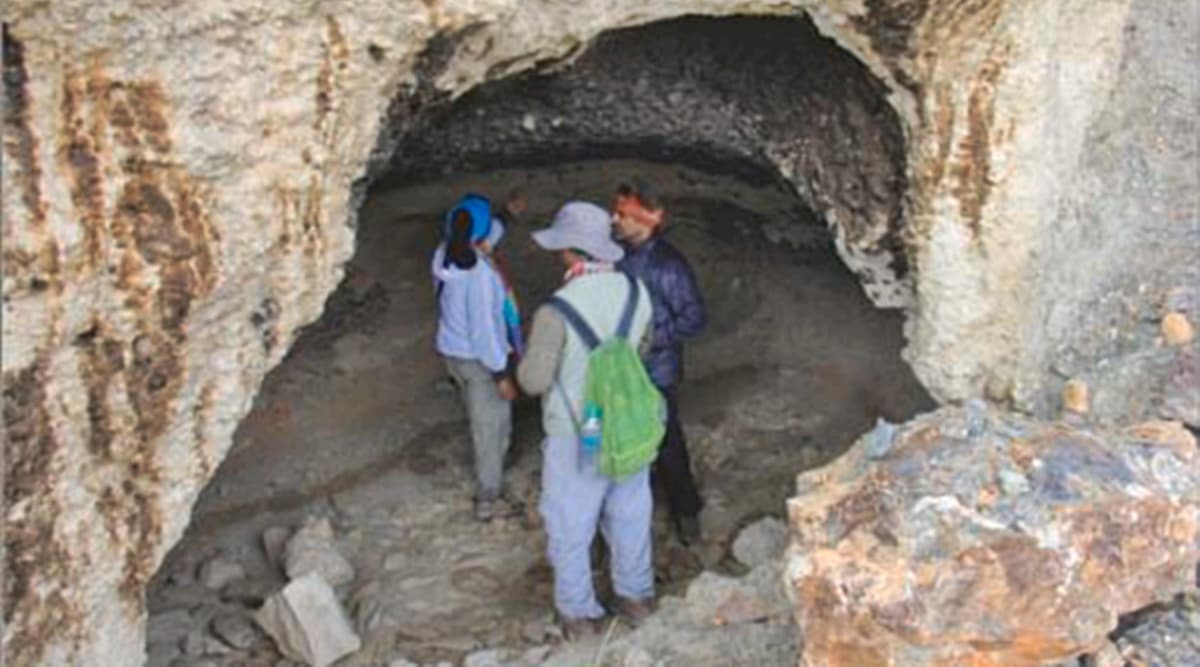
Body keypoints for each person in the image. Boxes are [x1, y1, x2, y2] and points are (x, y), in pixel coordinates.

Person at [516, 201, 657, 639]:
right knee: (631, 510)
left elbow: (535, 381)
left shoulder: (555, 311)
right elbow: (643, 351)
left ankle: (579, 613)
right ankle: (635, 596)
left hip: (582, 428)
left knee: (571, 519)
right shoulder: (637, 292)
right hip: (629, 422)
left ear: (570, 251)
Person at [611, 179, 708, 543]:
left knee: (667, 442)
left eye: (622, 213)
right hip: (625, 367)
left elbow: (695, 317)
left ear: (647, 219)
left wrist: (652, 340)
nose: (614, 219)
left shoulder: (669, 266)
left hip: (655, 371)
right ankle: (635, 507)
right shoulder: (617, 257)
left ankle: (686, 510)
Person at [432, 194, 522, 521]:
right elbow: (485, 333)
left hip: (452, 354)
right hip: (479, 361)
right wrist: (502, 376)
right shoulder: (480, 276)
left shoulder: (444, 255)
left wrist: (506, 216)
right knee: (490, 425)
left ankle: (495, 466)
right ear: (480, 236)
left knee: (480, 415)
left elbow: (484, 234)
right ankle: (489, 497)